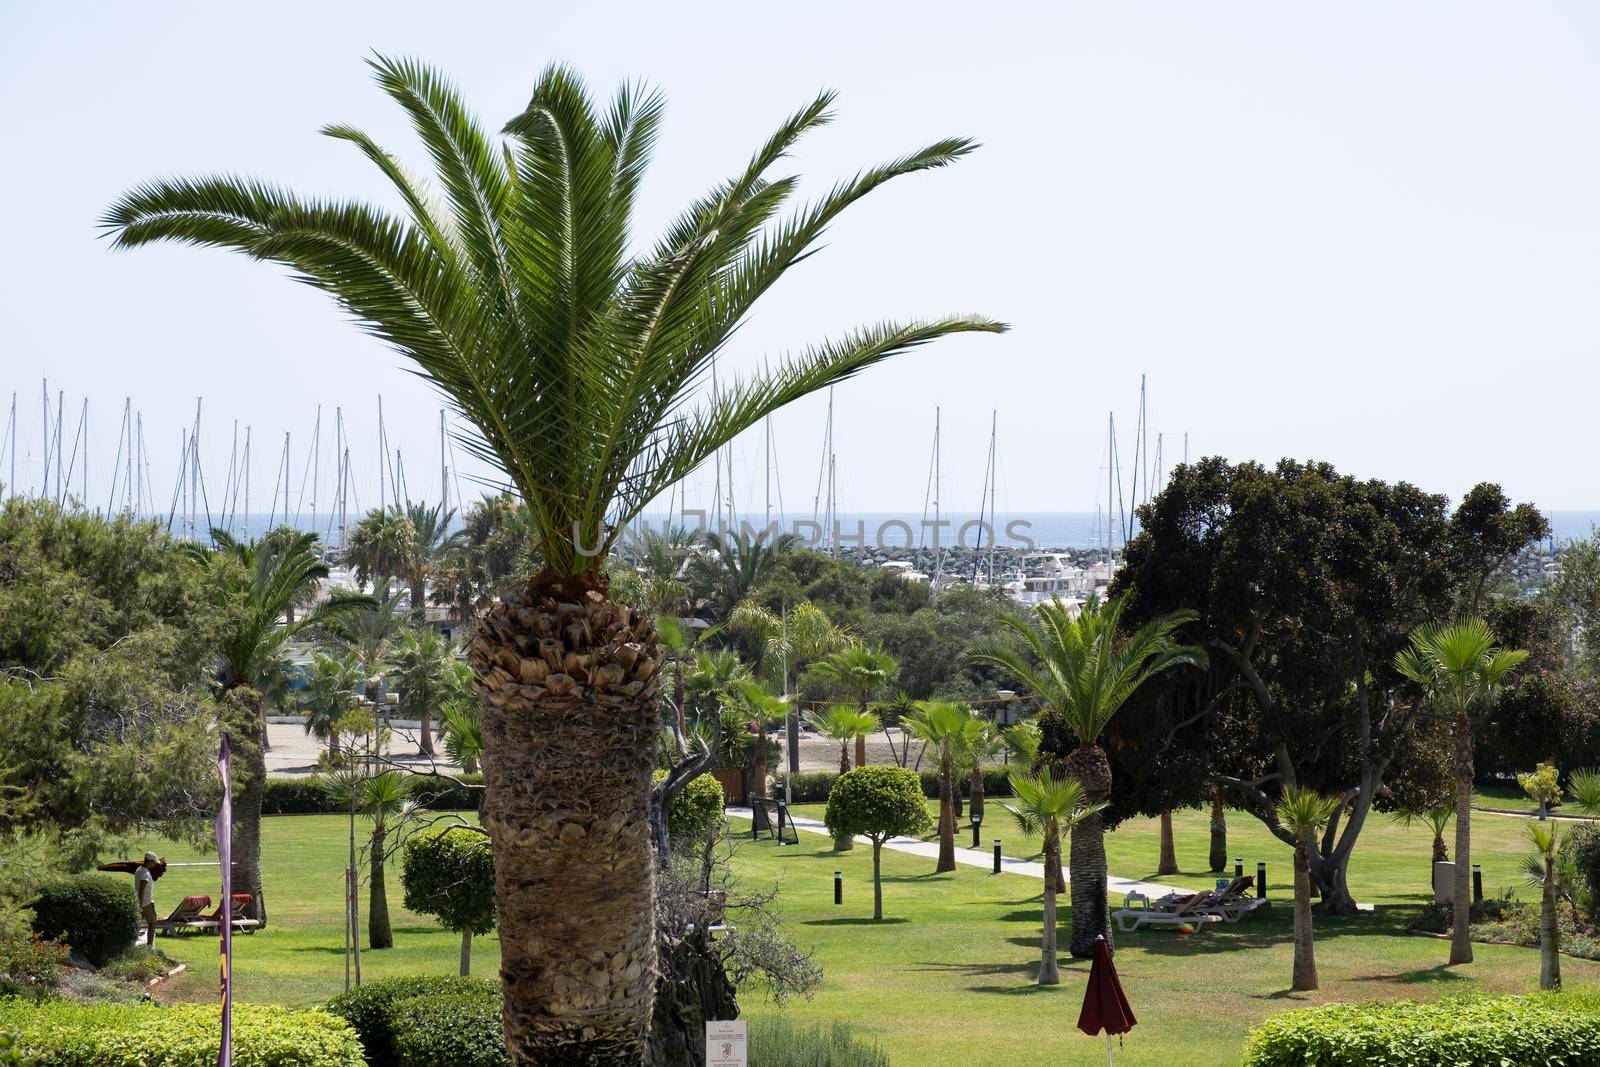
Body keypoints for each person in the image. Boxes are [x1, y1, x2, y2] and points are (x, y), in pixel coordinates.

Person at [135, 852, 160, 947]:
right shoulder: (145, 873)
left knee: (137, 925)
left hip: (142, 902)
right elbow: (142, 889)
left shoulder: (139, 870)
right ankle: (149, 947)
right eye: (154, 862)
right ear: (150, 861)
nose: (154, 865)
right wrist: (141, 905)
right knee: (153, 923)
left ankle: (134, 945)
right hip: (145, 903)